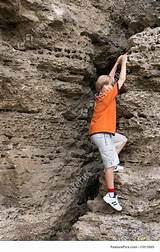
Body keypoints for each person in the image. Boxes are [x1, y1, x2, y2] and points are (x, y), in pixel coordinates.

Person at [88, 54, 128, 211]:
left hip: (104, 133)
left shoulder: (102, 94)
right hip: (102, 132)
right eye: (107, 85)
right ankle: (111, 195)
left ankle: (113, 162)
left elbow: (110, 79)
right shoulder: (107, 96)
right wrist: (124, 63)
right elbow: (121, 80)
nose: (110, 86)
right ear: (102, 88)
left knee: (122, 140)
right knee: (109, 166)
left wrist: (116, 63)